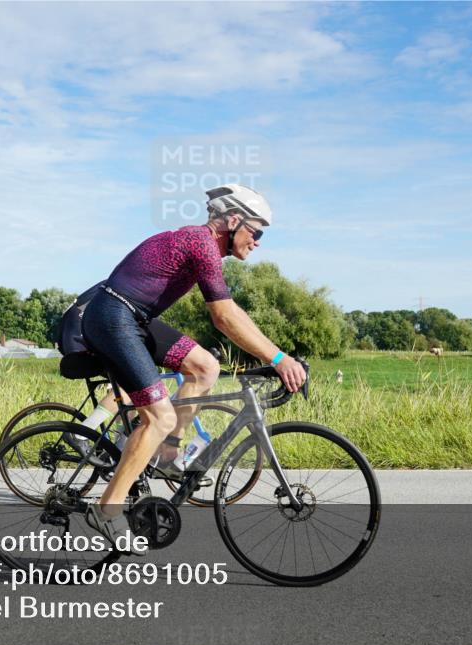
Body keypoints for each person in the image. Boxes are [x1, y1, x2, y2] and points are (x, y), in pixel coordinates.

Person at [60, 184, 307, 553]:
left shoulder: (205, 247)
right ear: (233, 220)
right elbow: (223, 317)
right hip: (112, 317)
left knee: (205, 367)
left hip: (134, 317)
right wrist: (277, 358)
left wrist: (276, 355)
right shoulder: (201, 243)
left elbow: (232, 311)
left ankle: (168, 453)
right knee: (157, 418)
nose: (258, 241)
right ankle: (107, 510)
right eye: (256, 231)